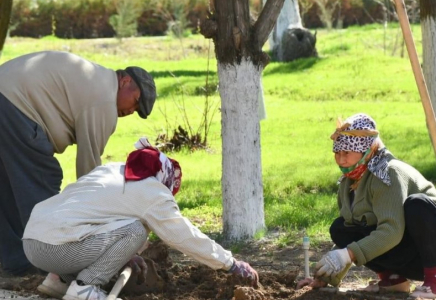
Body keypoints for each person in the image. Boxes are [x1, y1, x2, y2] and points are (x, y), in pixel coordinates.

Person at [22, 138, 259, 300]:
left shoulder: (111, 171)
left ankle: (59, 280)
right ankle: (84, 289)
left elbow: (92, 218)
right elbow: (182, 234)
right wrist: (229, 263)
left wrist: (124, 253)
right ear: (163, 180)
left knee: (105, 225)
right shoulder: (151, 191)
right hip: (59, 249)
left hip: (33, 243)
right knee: (136, 230)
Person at [0, 51, 157, 276]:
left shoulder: (96, 79)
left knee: (7, 185)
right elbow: (90, 177)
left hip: (6, 95)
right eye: (136, 102)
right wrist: (110, 239)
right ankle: (58, 267)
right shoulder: (104, 100)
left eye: (137, 111)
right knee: (43, 178)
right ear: (125, 81)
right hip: (14, 106)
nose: (132, 111)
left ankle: (17, 262)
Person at [297, 113, 436, 299]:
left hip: (428, 246)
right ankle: (393, 279)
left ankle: (433, 280)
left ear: (367, 149)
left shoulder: (389, 172)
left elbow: (392, 230)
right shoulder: (348, 183)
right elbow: (351, 232)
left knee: (416, 206)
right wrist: (326, 276)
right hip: (411, 252)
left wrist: (347, 254)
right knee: (341, 228)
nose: (341, 160)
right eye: (337, 152)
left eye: (346, 152)